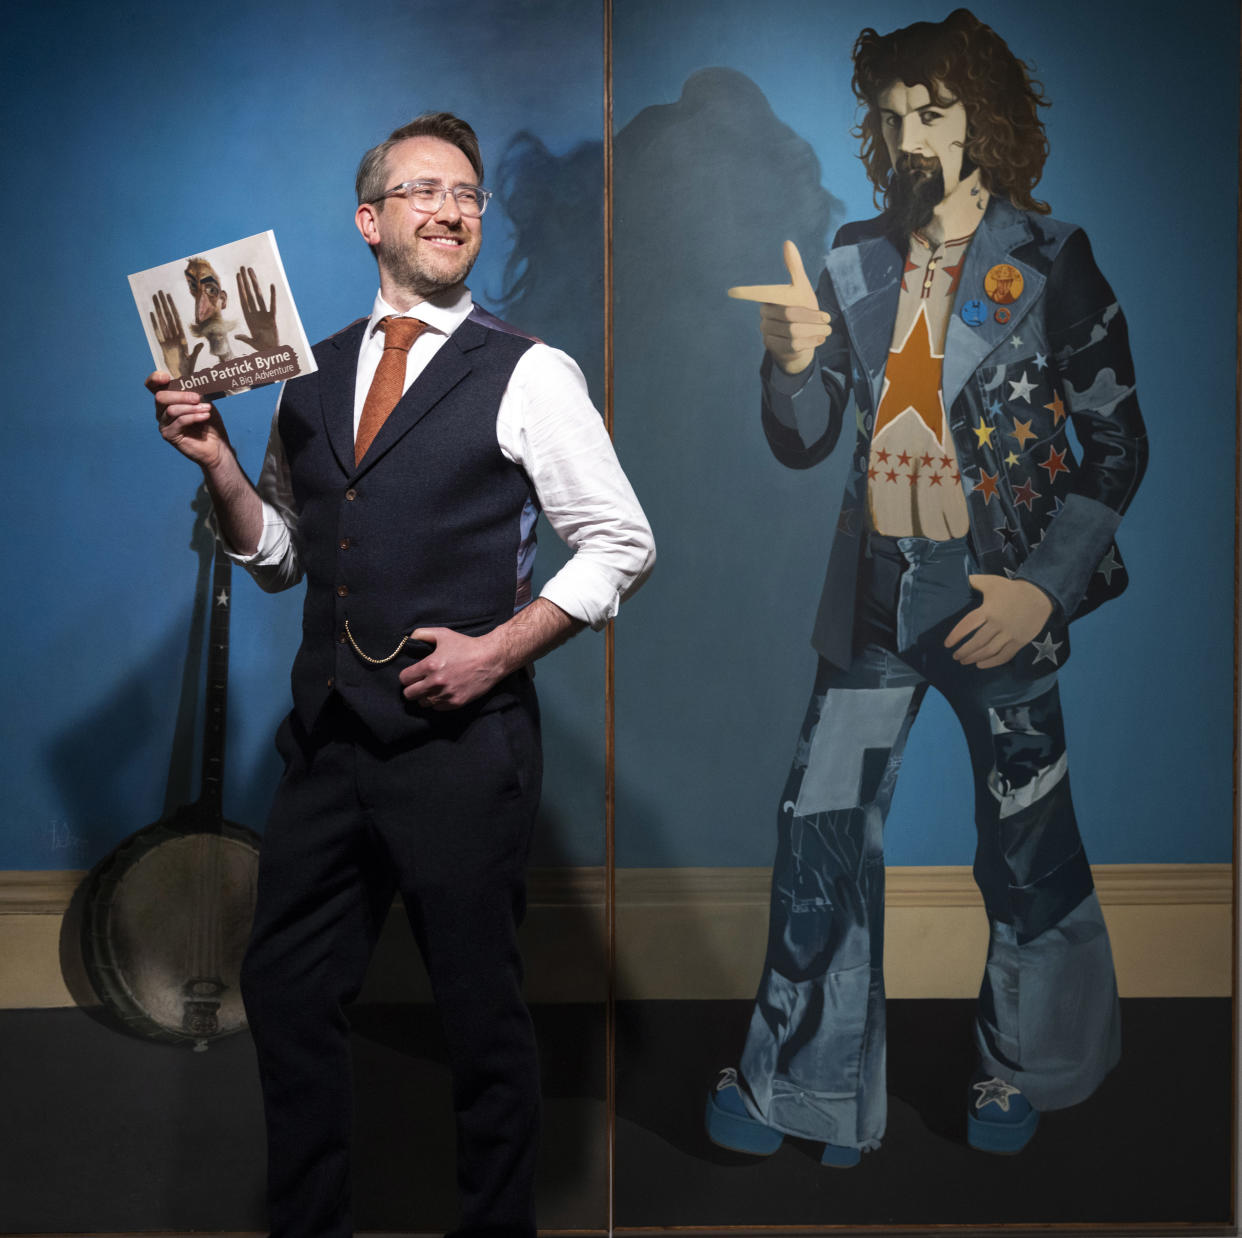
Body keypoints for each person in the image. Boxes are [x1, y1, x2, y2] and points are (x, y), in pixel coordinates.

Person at [149, 111, 654, 1238]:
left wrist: (500, 648)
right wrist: (221, 462)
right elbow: (279, 554)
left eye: (469, 194)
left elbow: (622, 540)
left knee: (479, 1021)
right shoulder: (305, 374)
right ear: (371, 220)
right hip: (326, 749)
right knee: (286, 997)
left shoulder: (530, 371)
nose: (454, 208)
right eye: (425, 190)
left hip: (462, 757)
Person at [711, 9, 1145, 1164]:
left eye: (934, 109)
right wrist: (792, 363)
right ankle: (805, 1087)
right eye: (894, 112)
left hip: (999, 599)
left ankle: (1023, 1068)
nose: (911, 131)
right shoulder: (853, 255)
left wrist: (1042, 593)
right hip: (878, 600)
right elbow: (804, 442)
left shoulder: (1054, 258)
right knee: (820, 830)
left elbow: (1117, 445)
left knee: (1027, 836)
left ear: (984, 118)